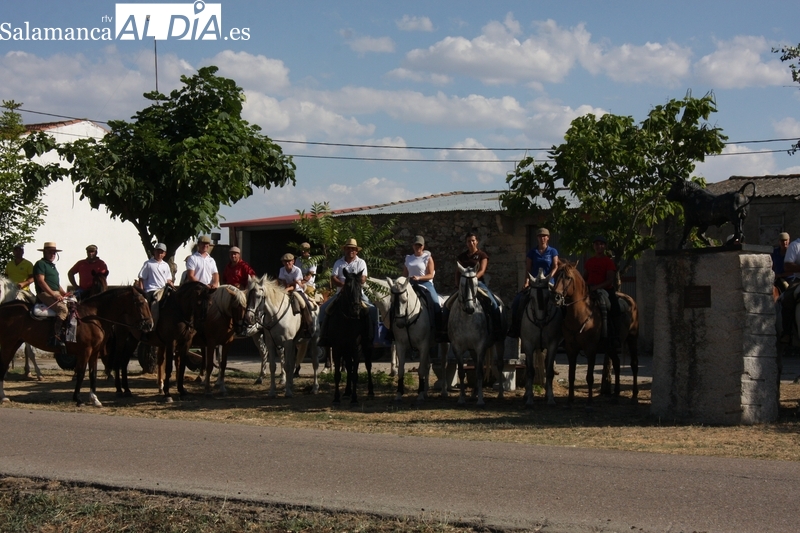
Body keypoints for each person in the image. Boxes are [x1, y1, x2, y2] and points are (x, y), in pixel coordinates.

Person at [318, 238, 378, 346]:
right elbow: (333, 277)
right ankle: (323, 337)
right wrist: (343, 285)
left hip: (357, 295)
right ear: (345, 250)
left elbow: (363, 278)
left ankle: (373, 337)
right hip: (340, 293)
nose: (351, 250)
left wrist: (353, 283)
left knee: (373, 310)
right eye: (348, 248)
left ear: (356, 251)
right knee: (323, 310)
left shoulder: (361, 262)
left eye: (353, 249)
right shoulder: (339, 262)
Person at [508, 228, 559, 338]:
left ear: (548, 238)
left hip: (548, 283)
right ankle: (515, 327)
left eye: (544, 236)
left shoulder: (553, 251)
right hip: (535, 284)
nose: (542, 238)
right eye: (540, 236)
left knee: (561, 303)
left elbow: (555, 266)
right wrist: (526, 282)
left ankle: (563, 331)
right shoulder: (532, 252)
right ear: (537, 238)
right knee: (518, 300)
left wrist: (549, 277)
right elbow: (528, 268)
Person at [455, 232, 503, 341]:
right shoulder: (461, 257)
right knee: (448, 304)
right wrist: (457, 284)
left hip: (478, 283)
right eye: (468, 241)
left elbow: (482, 270)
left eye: (473, 240)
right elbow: (457, 272)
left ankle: (497, 330)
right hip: (464, 285)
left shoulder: (482, 255)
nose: (471, 243)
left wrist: (472, 279)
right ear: (466, 243)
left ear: (477, 242)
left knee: (494, 304)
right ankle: (444, 331)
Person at [583, 235, 620, 348]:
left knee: (614, 309)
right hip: (590, 290)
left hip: (606, 291)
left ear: (605, 246)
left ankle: (614, 336)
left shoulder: (608, 262)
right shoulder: (589, 261)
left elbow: (609, 280)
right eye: (596, 244)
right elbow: (585, 277)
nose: (598, 246)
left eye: (601, 244)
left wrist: (596, 287)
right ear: (593, 246)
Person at [32, 242, 69, 347]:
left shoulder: (52, 266)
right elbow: (41, 281)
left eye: (54, 252)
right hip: (44, 293)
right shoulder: (40, 264)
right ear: (44, 252)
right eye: (50, 252)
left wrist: (64, 293)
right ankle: (55, 337)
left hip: (55, 292)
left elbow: (56, 284)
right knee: (63, 310)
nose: (52, 254)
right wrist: (54, 294)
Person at [403, 235, 440, 331]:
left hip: (425, 283)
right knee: (396, 301)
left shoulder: (427, 258)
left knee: (436, 303)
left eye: (420, 245)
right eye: (416, 245)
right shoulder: (408, 258)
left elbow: (431, 275)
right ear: (413, 246)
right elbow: (404, 275)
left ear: (423, 246)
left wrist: (419, 277)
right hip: (410, 283)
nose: (417, 247)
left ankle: (438, 328)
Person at [779, 235, 800, 343]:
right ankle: (787, 333)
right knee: (787, 298)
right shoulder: (795, 245)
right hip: (799, 280)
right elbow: (788, 266)